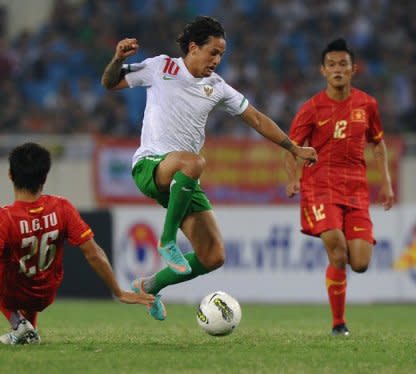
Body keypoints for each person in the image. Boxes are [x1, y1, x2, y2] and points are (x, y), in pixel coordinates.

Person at [101, 16, 317, 320]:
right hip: (150, 165)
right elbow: (109, 83)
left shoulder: (217, 87)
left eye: (221, 55)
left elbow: (256, 118)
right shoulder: (161, 67)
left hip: (181, 177)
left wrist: (293, 147)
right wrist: (117, 59)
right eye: (212, 52)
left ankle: (149, 287)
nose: (217, 60)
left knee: (213, 256)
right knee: (196, 162)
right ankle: (167, 241)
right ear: (193, 48)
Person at [0, 142, 154, 343]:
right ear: (44, 177)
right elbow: (94, 253)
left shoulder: (1, 218)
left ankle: (18, 322)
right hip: (46, 295)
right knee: (10, 263)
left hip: (14, 293)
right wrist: (118, 291)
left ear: (10, 175)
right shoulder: (62, 207)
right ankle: (28, 330)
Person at [285, 38, 394, 336]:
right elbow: (292, 146)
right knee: (337, 250)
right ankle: (338, 324)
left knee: (359, 263)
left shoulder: (367, 104)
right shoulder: (311, 108)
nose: (337, 69)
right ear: (322, 70)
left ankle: (342, 266)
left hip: (356, 189)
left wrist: (386, 181)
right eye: (331, 64)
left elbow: (378, 142)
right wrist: (294, 177)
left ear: (353, 69)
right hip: (320, 185)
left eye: (343, 64)